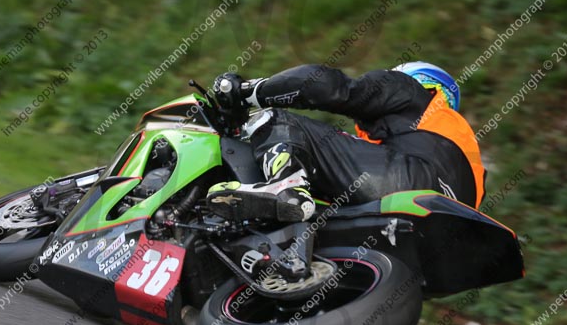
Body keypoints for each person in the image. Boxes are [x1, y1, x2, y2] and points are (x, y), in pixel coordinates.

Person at [206, 62, 485, 222]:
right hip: (446, 229)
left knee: (273, 120)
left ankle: (284, 184)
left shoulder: (413, 91)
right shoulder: (464, 155)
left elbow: (328, 87)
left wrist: (248, 93)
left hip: (406, 185)